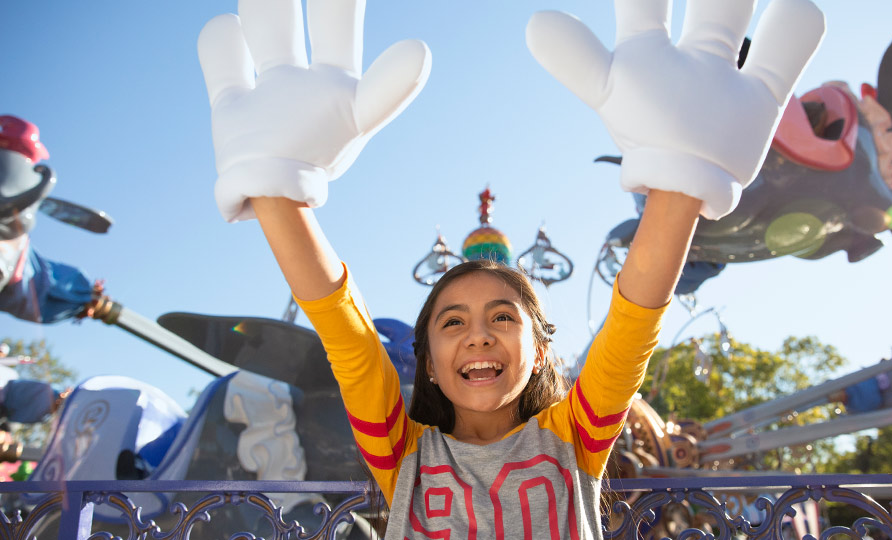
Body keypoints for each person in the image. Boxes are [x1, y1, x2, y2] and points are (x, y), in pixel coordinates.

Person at [197, 0, 824, 536]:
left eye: (503, 315)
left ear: (542, 351)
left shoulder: (574, 435)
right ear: (431, 365)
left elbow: (633, 323)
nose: (478, 333)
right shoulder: (401, 451)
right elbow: (342, 329)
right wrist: (275, 181)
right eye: (451, 322)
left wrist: (684, 178)